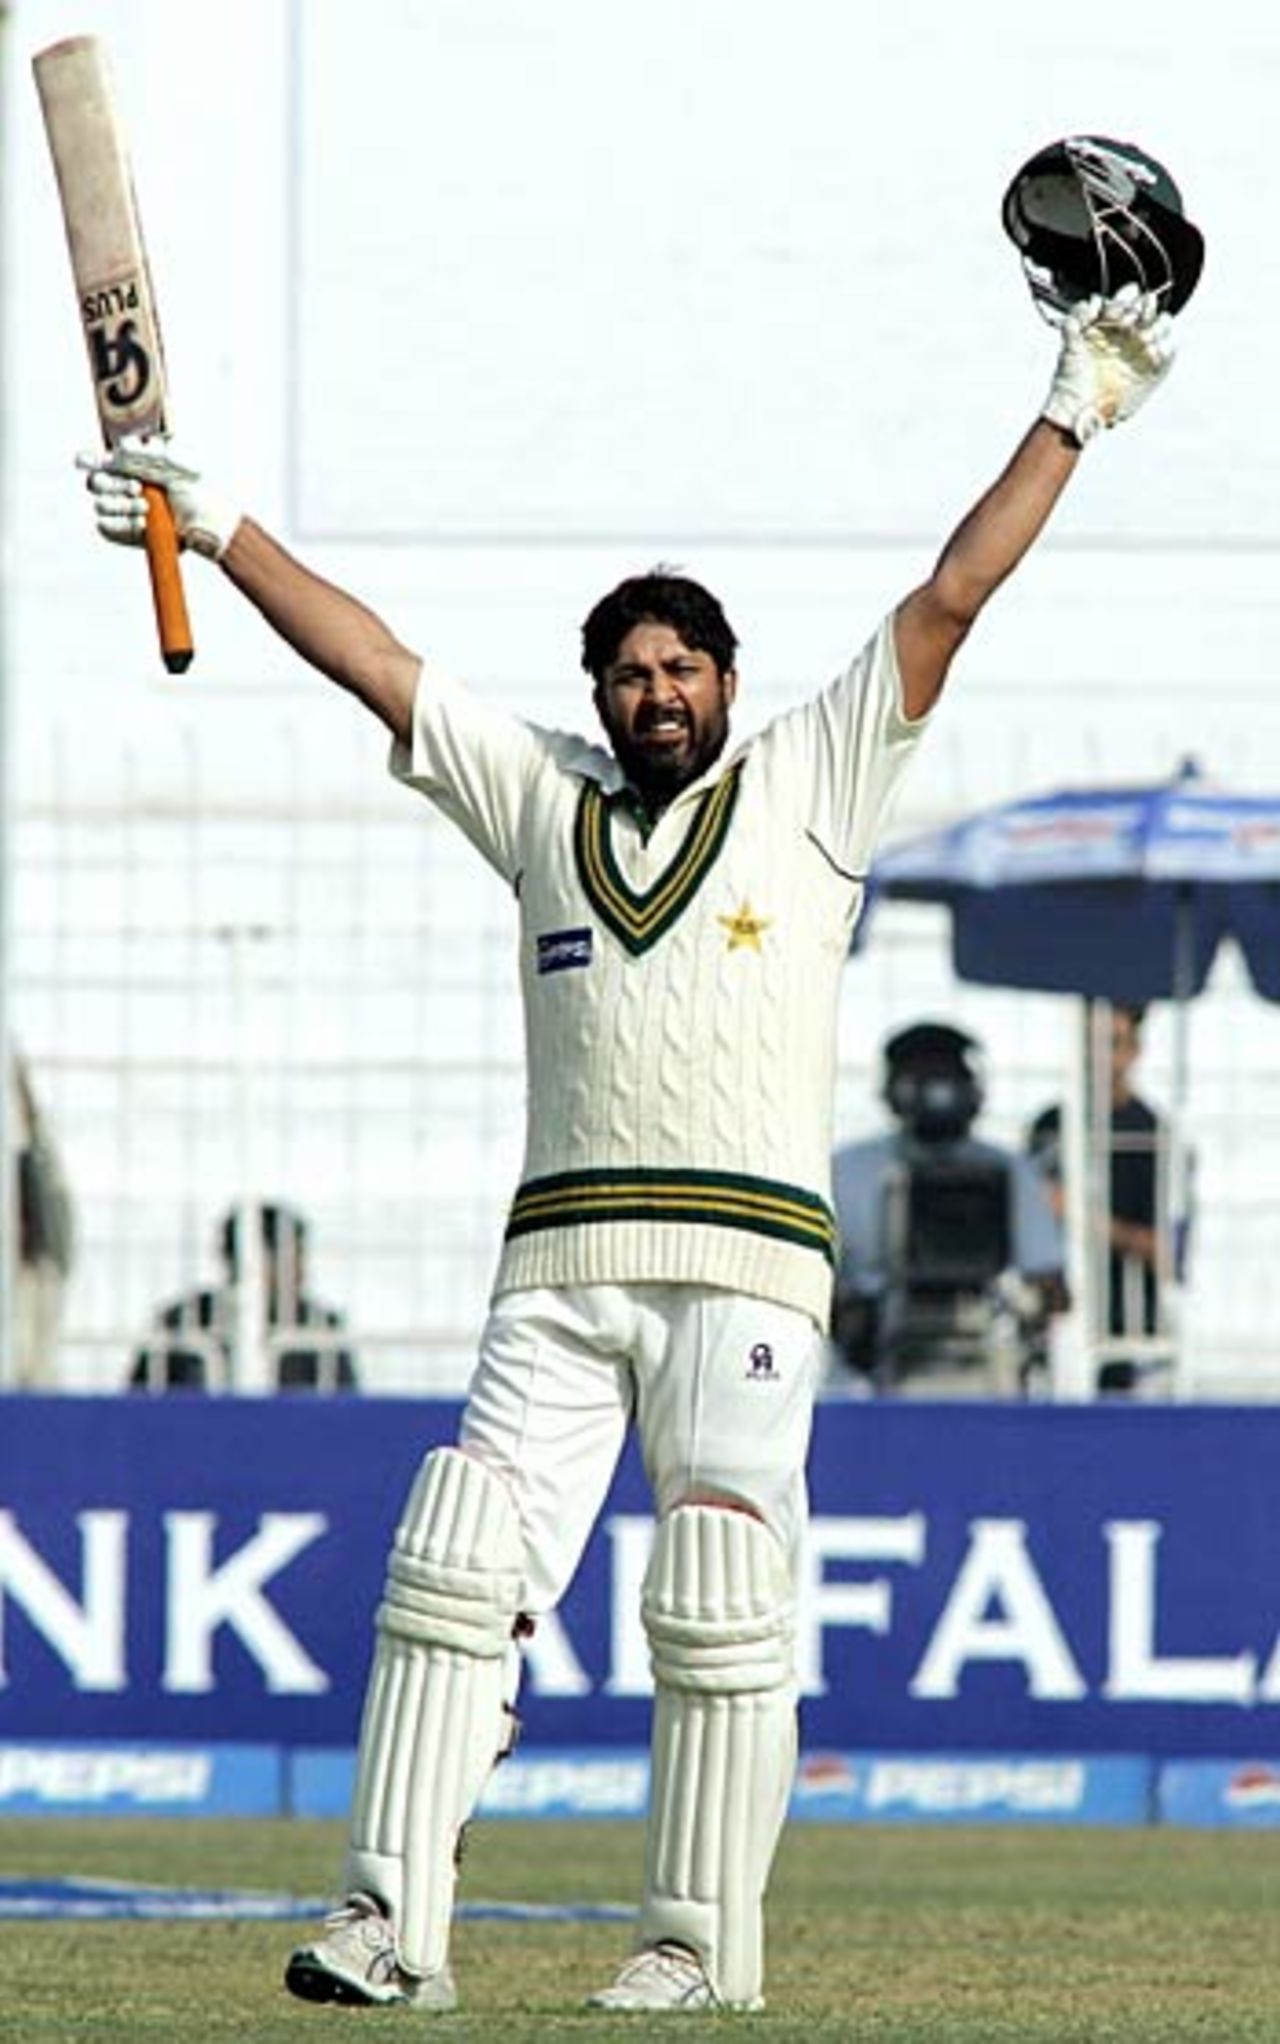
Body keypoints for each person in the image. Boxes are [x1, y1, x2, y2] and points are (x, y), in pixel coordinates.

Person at [80, 277, 1176, 2014]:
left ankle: (692, 1947)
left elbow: (955, 592)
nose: (658, 690)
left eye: (683, 665)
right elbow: (376, 659)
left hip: (747, 1267)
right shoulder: (540, 796)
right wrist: (217, 528)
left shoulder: (819, 769)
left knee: (724, 1585)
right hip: (561, 1266)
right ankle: (392, 1925)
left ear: (728, 680)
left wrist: (1073, 406)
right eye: (630, 670)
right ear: (598, 690)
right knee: (455, 1564)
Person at [831, 1022, 1066, 1392]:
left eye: (949, 1075)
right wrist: (849, 1317)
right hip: (865, 1376)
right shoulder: (846, 1169)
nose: (937, 1092)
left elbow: (1050, 1284)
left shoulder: (1009, 1171)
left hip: (984, 1356)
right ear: (892, 1088)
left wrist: (1023, 1316)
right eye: (922, 1077)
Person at [1026, 1002, 1177, 1394]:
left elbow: (1168, 1251)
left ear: (1134, 1050)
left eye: (1113, 1043)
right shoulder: (1050, 1125)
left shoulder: (1154, 1135)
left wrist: (1087, 1222)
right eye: (1091, 1042)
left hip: (1126, 1331)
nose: (1101, 1057)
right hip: (1053, 1329)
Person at [129, 1201, 358, 1392]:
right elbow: (139, 1404)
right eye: (290, 1257)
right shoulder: (182, 1322)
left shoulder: (320, 1327)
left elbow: (345, 1408)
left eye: (300, 1257)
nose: (302, 1270)